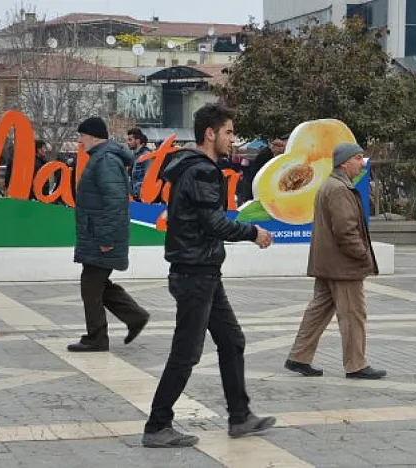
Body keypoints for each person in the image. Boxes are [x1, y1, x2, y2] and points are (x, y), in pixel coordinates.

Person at [143, 104, 276, 448]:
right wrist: (253, 233)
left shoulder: (192, 167)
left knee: (232, 341)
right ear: (210, 134)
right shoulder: (202, 171)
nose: (233, 139)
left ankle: (240, 416)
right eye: (228, 132)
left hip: (203, 271)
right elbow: (214, 224)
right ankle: (157, 426)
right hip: (195, 273)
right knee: (186, 352)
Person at [285, 143, 386, 380]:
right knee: (352, 315)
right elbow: (345, 231)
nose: (362, 163)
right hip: (343, 266)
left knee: (318, 311)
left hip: (328, 264)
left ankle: (299, 356)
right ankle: (356, 365)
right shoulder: (340, 189)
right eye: (358, 158)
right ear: (345, 162)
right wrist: (362, 254)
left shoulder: (330, 185)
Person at [68, 117, 150, 353]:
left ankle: (97, 338)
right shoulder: (101, 158)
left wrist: (106, 239)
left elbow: (114, 203)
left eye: (82, 136)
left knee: (91, 286)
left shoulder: (105, 161)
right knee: (97, 284)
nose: (80, 141)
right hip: (96, 234)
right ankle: (135, 317)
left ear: (93, 136)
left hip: (102, 238)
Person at [126, 128, 152, 200]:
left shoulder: (146, 155)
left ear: (137, 141)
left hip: (143, 197)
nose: (127, 142)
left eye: (130, 140)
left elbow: (150, 177)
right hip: (135, 196)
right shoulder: (134, 155)